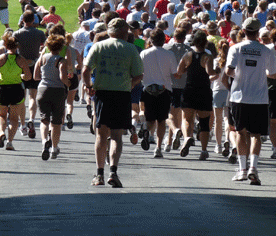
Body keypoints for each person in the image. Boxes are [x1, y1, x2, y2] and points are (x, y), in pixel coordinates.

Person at [82, 18, 144, 188]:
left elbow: (86, 69)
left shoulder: (99, 46)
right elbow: (139, 75)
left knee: (101, 134)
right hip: (122, 94)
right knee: (116, 135)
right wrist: (130, 84)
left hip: (102, 93)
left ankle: (99, 173)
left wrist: (89, 86)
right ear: (124, 33)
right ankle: (113, 172)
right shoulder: (131, 49)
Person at [225, 17, 276, 186]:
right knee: (256, 135)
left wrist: (241, 75)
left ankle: (242, 169)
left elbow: (228, 70)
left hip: (239, 96)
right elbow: (274, 74)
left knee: (240, 132)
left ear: (243, 31)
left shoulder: (236, 48)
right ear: (258, 33)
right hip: (259, 98)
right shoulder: (266, 51)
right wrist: (261, 73)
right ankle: (253, 168)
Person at [176, 30, 220, 160]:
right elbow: (209, 72)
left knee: (186, 119)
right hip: (204, 91)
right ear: (205, 43)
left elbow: (179, 72)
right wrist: (217, 70)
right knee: (204, 122)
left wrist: (187, 69)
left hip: (189, 89)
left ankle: (187, 138)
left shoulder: (187, 55)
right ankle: (204, 150)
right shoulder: (208, 57)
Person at [139, 29, 178, 158]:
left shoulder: (144, 53)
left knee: (150, 118)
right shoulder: (169, 54)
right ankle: (158, 147)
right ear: (163, 40)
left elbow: (140, 71)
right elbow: (175, 73)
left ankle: (146, 128)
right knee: (161, 120)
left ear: (151, 40)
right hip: (164, 90)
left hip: (148, 89)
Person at [0, 33, 31, 151]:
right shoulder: (21, 59)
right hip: (16, 89)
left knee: (0, 115)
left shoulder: (0, 58)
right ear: (17, 46)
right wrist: (22, 76)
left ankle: (1, 133)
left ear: (5, 45)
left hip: (2, 88)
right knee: (14, 118)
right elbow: (28, 76)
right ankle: (9, 142)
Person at [34, 34, 70, 160]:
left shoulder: (42, 58)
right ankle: (54, 147)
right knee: (56, 121)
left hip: (43, 89)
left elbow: (35, 76)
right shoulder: (61, 60)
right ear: (60, 47)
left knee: (44, 119)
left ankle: (44, 142)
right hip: (58, 91)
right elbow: (62, 77)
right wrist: (68, 83)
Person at [13, 11, 46, 138]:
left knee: (22, 97)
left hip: (21, 65)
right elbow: (44, 46)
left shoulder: (17, 33)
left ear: (22, 20)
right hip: (34, 64)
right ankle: (31, 119)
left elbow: (13, 48)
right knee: (33, 95)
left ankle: (23, 123)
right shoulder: (39, 33)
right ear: (33, 20)